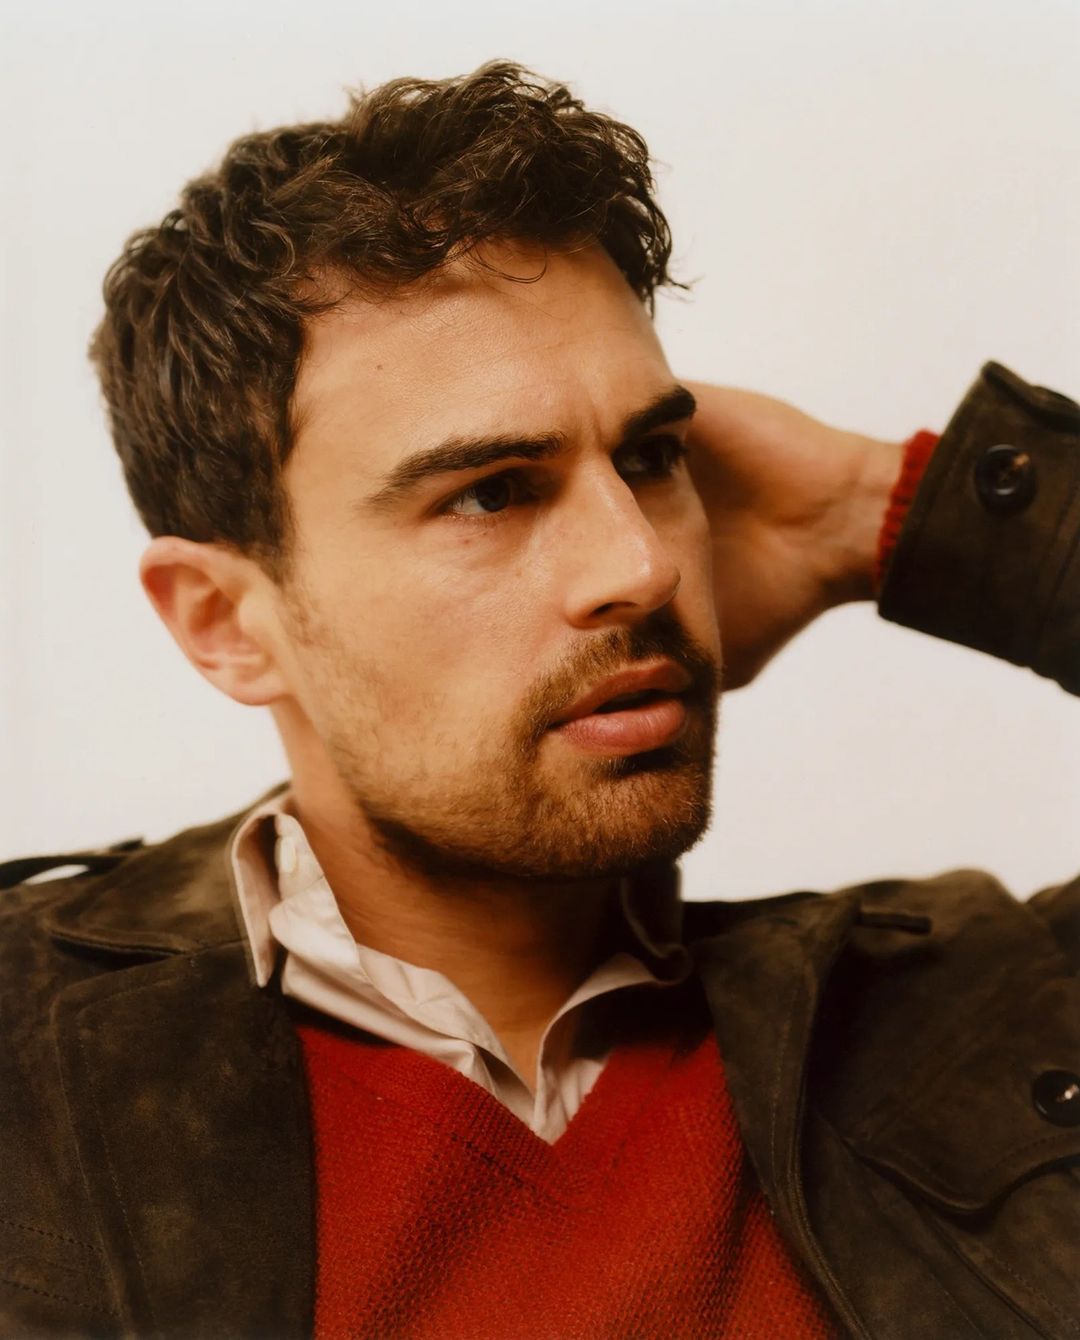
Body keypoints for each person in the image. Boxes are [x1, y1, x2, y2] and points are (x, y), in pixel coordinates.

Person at [1, 60, 1077, 1340]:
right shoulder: (32, 1073)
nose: (644, 564)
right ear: (225, 621)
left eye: (652, 456)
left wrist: (879, 510)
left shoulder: (984, 1012)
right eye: (492, 491)